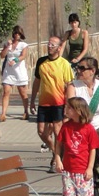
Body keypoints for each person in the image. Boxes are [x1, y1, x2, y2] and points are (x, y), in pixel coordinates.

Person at [54, 96, 99, 196]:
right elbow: (58, 145)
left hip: (83, 169)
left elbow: (93, 149)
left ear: (78, 111)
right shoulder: (66, 126)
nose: (66, 110)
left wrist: (90, 167)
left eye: (69, 108)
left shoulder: (88, 128)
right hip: (68, 169)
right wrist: (58, 159)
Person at [30, 36, 74, 170]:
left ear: (59, 48)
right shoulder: (41, 62)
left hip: (59, 102)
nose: (49, 47)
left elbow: (69, 85)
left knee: (57, 131)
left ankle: (57, 159)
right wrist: (32, 100)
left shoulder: (64, 64)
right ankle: (57, 153)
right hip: (44, 103)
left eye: (53, 45)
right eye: (48, 44)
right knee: (42, 132)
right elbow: (37, 82)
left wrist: (68, 105)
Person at [66, 57, 99, 131]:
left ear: (92, 71)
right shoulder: (73, 87)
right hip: (80, 131)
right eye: (77, 67)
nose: (78, 71)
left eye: (82, 68)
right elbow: (70, 110)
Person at [0, 25, 30, 121]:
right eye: (16, 33)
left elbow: (23, 56)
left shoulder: (23, 45)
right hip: (9, 72)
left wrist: (15, 60)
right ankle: (3, 114)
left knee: (23, 93)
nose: (17, 35)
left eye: (19, 33)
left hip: (19, 71)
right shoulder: (8, 44)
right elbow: (2, 55)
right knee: (6, 92)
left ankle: (26, 111)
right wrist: (7, 47)